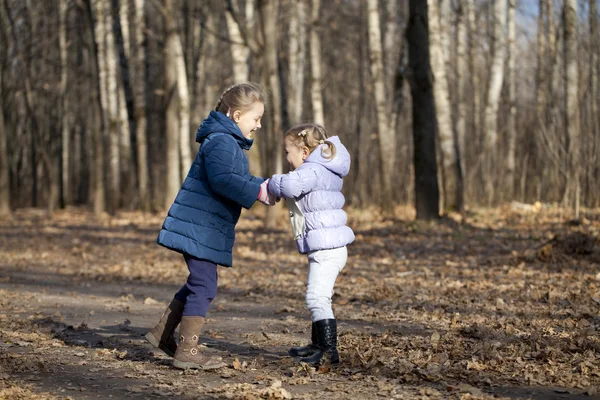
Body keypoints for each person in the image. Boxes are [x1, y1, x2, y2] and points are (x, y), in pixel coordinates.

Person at [145, 83, 276, 370]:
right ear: (237, 115)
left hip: (202, 225)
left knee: (198, 282)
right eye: (256, 118)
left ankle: (162, 333)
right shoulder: (221, 141)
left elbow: (233, 176)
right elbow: (223, 181)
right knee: (204, 284)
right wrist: (257, 192)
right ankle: (187, 351)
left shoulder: (226, 142)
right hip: (199, 226)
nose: (259, 125)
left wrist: (263, 186)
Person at [267, 124, 354, 366]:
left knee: (317, 298)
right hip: (328, 247)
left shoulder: (312, 170)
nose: (286, 157)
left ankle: (328, 351)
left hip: (328, 249)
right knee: (318, 296)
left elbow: (290, 186)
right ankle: (317, 344)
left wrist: (271, 183)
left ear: (304, 152)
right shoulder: (322, 169)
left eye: (287, 152)